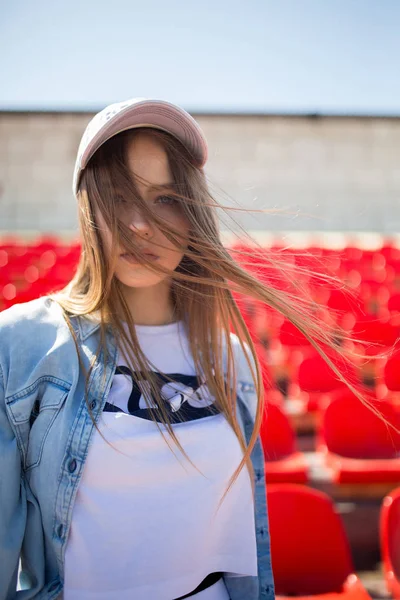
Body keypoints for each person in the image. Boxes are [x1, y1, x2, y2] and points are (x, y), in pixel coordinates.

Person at [0, 98, 360, 600]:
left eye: (166, 198)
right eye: (119, 195)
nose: (141, 224)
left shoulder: (230, 358)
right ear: (88, 208)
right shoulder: (21, 348)